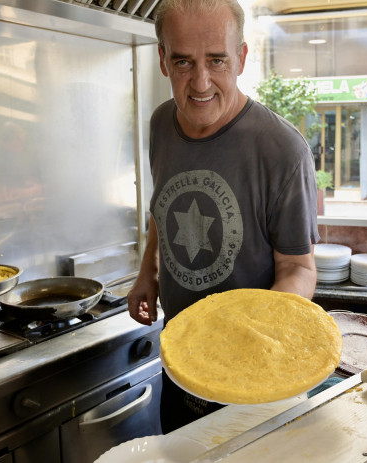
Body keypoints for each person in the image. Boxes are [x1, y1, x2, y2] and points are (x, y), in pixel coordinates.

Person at [126, 0, 320, 432]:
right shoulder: (161, 125)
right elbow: (164, 207)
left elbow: (298, 268)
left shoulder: (281, 150)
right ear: (162, 59)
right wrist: (148, 272)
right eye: (183, 62)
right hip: (180, 365)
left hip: (256, 380)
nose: (200, 82)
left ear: (242, 58)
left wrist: (252, 339)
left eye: (217, 61)